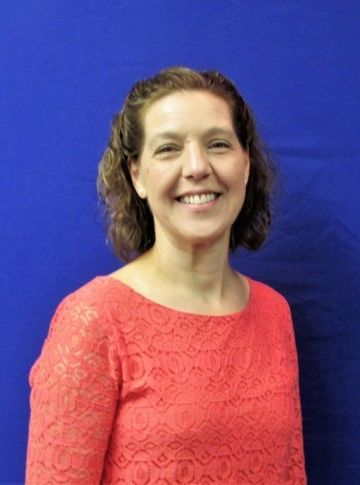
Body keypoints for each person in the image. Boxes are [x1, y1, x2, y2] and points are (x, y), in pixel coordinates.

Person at [26, 66, 307, 484]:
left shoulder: (274, 313)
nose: (196, 167)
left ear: (245, 165)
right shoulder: (93, 320)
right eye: (168, 149)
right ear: (136, 175)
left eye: (217, 144)